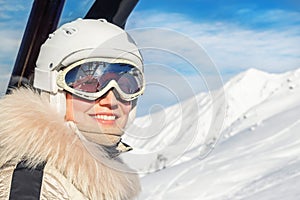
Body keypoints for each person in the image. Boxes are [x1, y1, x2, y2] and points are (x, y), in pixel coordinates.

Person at [0, 18, 145, 200]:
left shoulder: (84, 180)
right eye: (91, 84)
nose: (111, 100)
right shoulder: (33, 187)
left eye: (126, 85)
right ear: (54, 89)